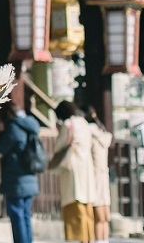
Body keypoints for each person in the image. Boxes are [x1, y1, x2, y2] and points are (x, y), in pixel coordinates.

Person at [0, 100, 40, 243]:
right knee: (25, 214)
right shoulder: (30, 124)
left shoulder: (13, 127)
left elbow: (0, 147)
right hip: (29, 176)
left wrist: (2, 131)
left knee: (16, 213)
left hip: (16, 178)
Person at [50, 101, 95, 243]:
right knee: (86, 204)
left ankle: (75, 238)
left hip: (73, 166)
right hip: (86, 166)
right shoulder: (84, 123)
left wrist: (59, 131)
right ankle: (88, 238)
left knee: (73, 203)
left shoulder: (68, 124)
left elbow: (59, 147)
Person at [84, 106, 113, 243]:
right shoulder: (102, 131)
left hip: (93, 175)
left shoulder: (88, 132)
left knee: (96, 216)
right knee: (104, 218)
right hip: (103, 175)